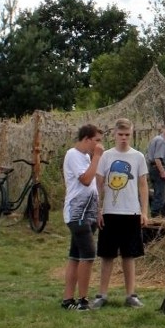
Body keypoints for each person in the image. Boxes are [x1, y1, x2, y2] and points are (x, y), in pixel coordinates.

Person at [92, 118, 149, 308]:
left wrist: (144, 211)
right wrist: (98, 209)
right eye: (120, 135)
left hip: (131, 212)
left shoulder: (138, 157)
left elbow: (143, 185)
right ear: (114, 134)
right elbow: (99, 184)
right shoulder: (106, 156)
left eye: (127, 135)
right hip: (109, 212)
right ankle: (102, 295)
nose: (124, 138)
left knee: (129, 254)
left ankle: (131, 294)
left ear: (131, 135)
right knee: (107, 255)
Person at [61, 124, 104, 310]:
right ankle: (83, 301)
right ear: (86, 139)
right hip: (77, 212)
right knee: (88, 255)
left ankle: (68, 299)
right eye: (97, 140)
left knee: (75, 256)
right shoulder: (73, 155)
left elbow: (94, 185)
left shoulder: (86, 157)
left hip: (89, 213)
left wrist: (98, 211)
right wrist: (97, 158)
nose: (99, 145)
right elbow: (86, 180)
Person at [146, 124, 165, 217]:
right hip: (157, 170)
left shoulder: (157, 139)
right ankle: (155, 216)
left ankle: (155, 213)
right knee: (161, 196)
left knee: (157, 193)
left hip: (153, 169)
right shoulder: (161, 141)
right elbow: (157, 159)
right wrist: (163, 172)